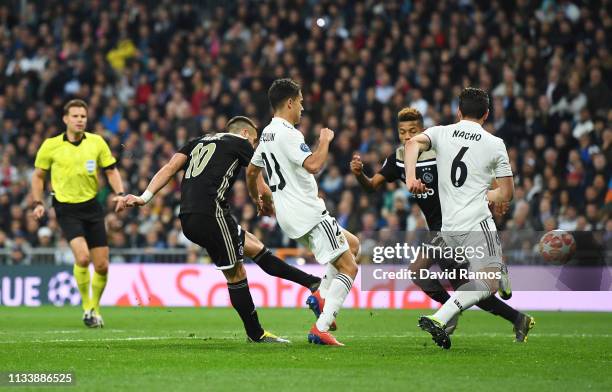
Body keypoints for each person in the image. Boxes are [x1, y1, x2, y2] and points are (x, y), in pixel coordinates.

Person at [119, 116, 322, 343]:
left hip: (188, 216)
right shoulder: (241, 144)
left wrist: (143, 197)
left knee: (254, 246)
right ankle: (256, 334)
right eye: (254, 141)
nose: (254, 146)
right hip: (211, 214)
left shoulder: (199, 141)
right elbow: (255, 176)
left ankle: (312, 282)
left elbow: (170, 167)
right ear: (246, 134)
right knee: (236, 274)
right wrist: (271, 202)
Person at [351, 107, 535, 342]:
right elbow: (371, 185)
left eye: (413, 131)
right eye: (402, 132)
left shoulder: (441, 152)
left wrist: (497, 193)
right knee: (463, 287)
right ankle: (515, 318)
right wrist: (359, 174)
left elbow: (472, 172)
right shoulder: (398, 159)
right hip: (439, 231)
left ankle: (451, 312)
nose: (407, 137)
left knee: (423, 272)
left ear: (422, 131)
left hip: (457, 225)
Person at [246, 78, 360, 346]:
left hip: (288, 215)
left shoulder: (267, 133)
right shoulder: (288, 133)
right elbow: (314, 165)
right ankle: (320, 328)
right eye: (300, 102)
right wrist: (325, 140)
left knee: (352, 244)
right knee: (350, 267)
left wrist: (259, 199)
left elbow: (252, 171)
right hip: (308, 212)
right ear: (289, 102)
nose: (302, 108)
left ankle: (320, 295)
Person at [404, 88, 516, 349]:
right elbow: (507, 193)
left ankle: (499, 272)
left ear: (458, 111)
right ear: (486, 114)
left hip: (449, 228)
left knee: (478, 279)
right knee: (486, 284)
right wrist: (488, 194)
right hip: (476, 221)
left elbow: (411, 144)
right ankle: (442, 317)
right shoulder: (494, 143)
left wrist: (411, 178)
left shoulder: (440, 132)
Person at [31, 99, 125, 328]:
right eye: (75, 116)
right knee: (82, 258)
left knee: (102, 265)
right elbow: (38, 176)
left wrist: (120, 193)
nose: (80, 120)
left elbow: (111, 171)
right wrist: (37, 201)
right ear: (65, 119)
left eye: (83, 116)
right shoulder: (51, 145)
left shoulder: (96, 142)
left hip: (92, 206)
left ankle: (95, 308)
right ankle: (87, 308)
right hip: (65, 207)